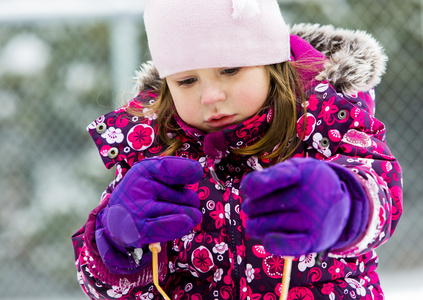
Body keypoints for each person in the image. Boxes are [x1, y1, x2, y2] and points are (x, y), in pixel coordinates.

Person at [72, 1, 403, 299]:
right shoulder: (152, 150)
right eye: (187, 81)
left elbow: (382, 191)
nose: (210, 96)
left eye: (230, 70)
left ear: (271, 63)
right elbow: (100, 287)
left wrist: (346, 203)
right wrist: (114, 242)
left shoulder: (327, 120)